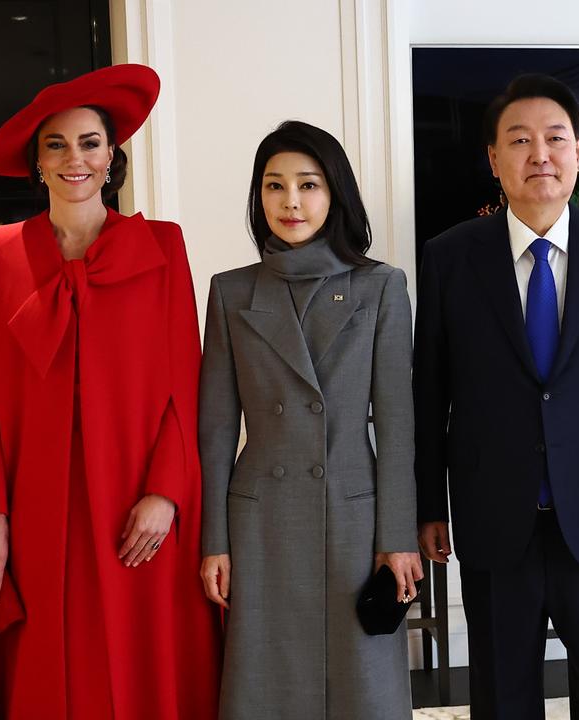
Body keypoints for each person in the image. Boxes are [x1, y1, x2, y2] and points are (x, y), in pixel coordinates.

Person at [414, 74, 579, 719]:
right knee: (503, 693)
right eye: (520, 140)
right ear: (493, 158)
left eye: (555, 138)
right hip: (493, 510)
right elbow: (430, 391)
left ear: (578, 152)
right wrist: (428, 505)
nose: (540, 154)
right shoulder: (450, 258)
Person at [0, 64, 221, 720]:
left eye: (90, 143)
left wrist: (166, 492)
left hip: (138, 503)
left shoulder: (162, 246)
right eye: (57, 144)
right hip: (38, 505)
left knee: (144, 657)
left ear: (111, 158)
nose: (76, 158)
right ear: (36, 164)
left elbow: (186, 383)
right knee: (49, 668)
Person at [198, 120, 421, 719]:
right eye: (274, 186)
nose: (290, 202)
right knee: (265, 685)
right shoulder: (230, 292)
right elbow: (216, 429)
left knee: (361, 689)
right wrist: (213, 541)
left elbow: (398, 424)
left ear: (336, 194)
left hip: (353, 517)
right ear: (258, 197)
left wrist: (397, 537)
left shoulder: (380, 287)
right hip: (261, 522)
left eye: (308, 184)